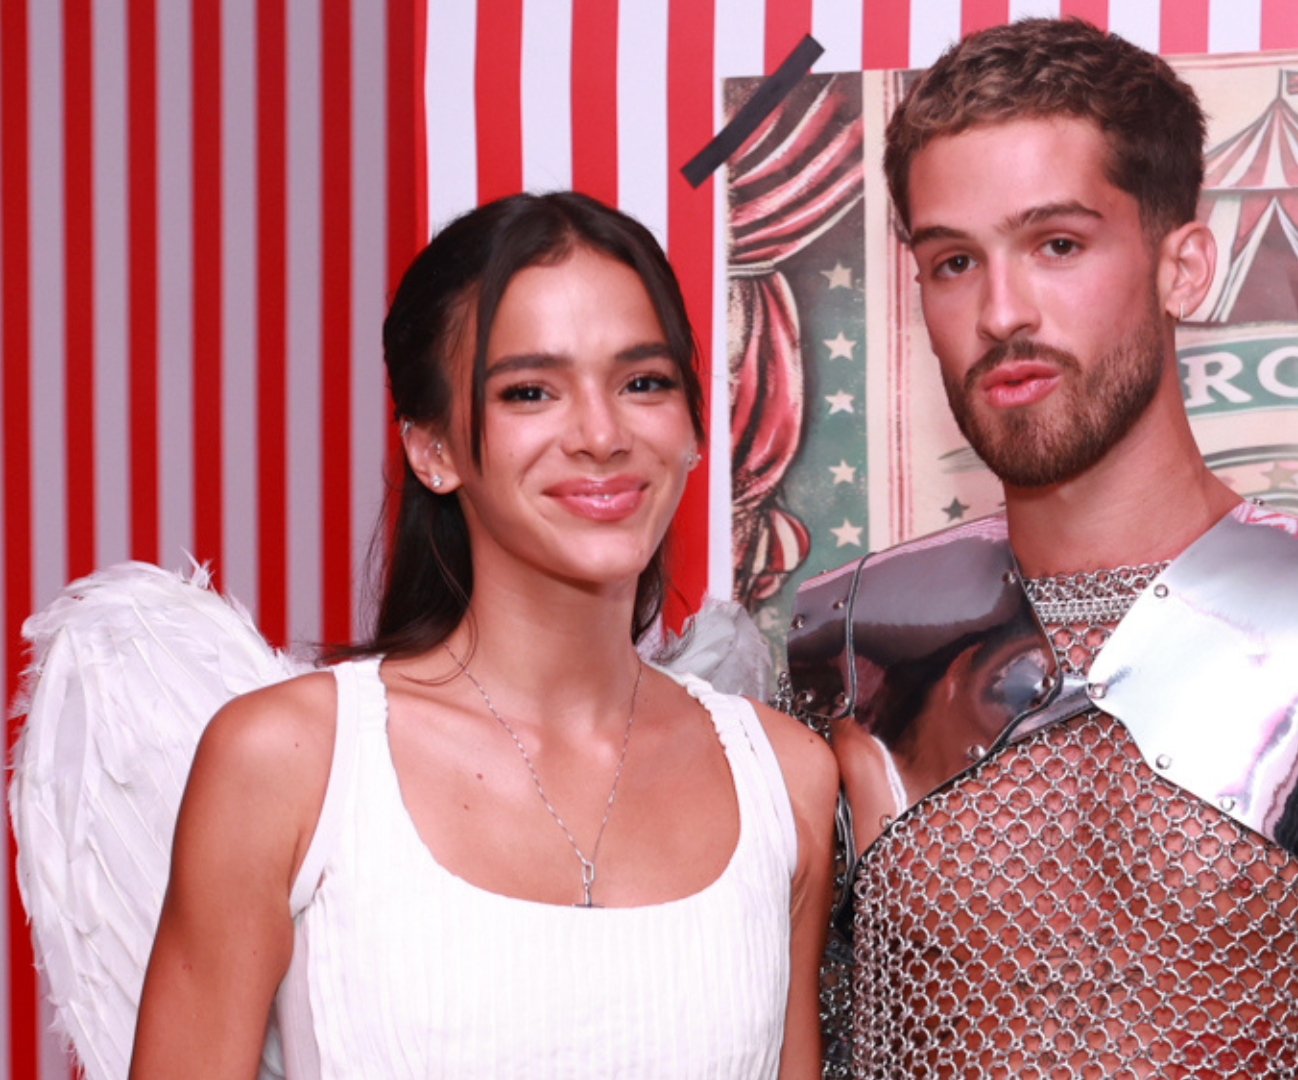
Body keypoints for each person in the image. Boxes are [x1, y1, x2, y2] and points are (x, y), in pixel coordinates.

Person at [781, 18, 1298, 1080]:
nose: (1001, 311)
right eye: (952, 261)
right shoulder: (849, 641)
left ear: (1185, 264)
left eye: (1058, 245)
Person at [130, 192, 837, 1079]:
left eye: (643, 382)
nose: (601, 434)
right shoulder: (289, 761)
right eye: (530, 391)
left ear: (697, 428)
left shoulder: (786, 779)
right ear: (432, 449)